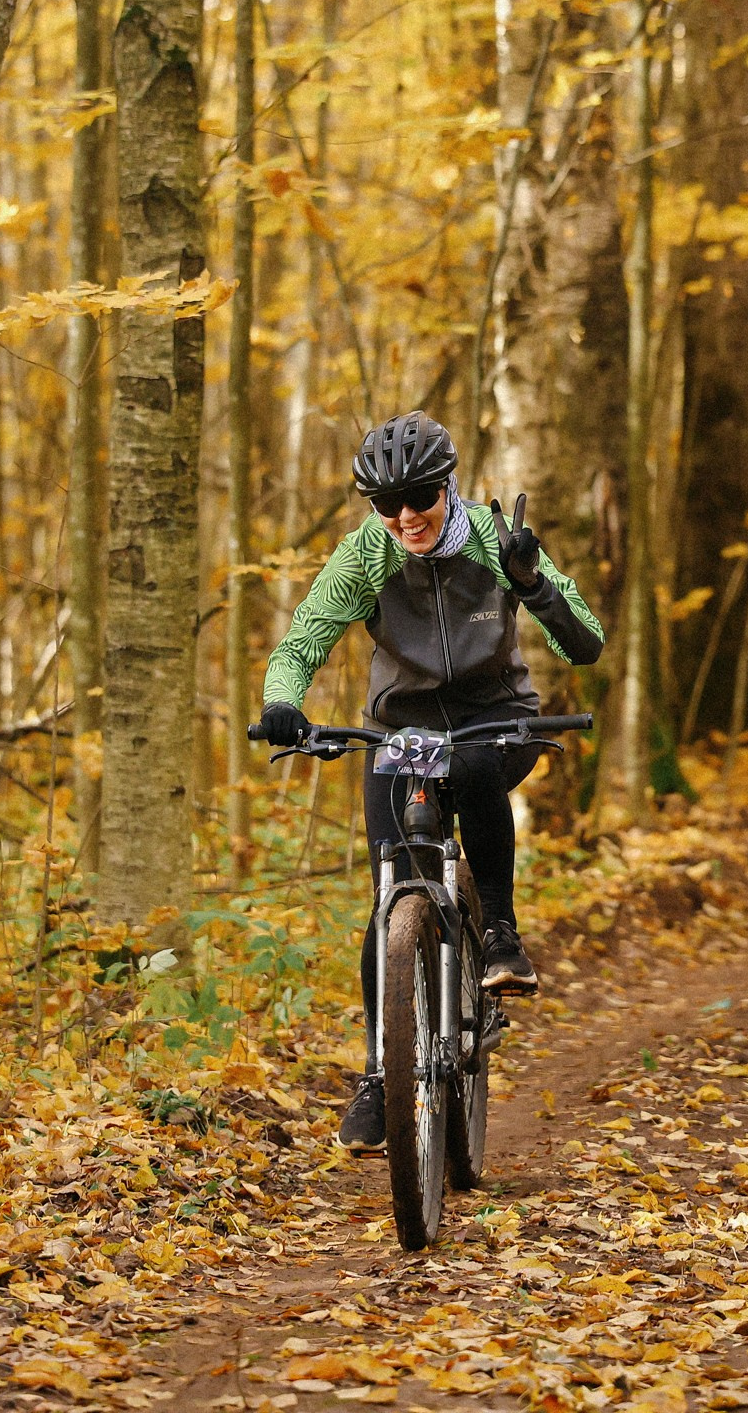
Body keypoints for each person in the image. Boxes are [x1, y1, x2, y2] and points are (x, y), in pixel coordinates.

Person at [256, 410, 605, 1150]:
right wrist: (282, 703)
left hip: (494, 721)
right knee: (390, 895)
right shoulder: (365, 557)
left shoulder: (493, 540)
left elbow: (586, 643)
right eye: (386, 504)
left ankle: (501, 935)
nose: (405, 517)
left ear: (447, 486)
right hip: (402, 732)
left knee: (476, 767)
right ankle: (381, 1076)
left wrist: (533, 583)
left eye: (419, 497)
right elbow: (304, 638)